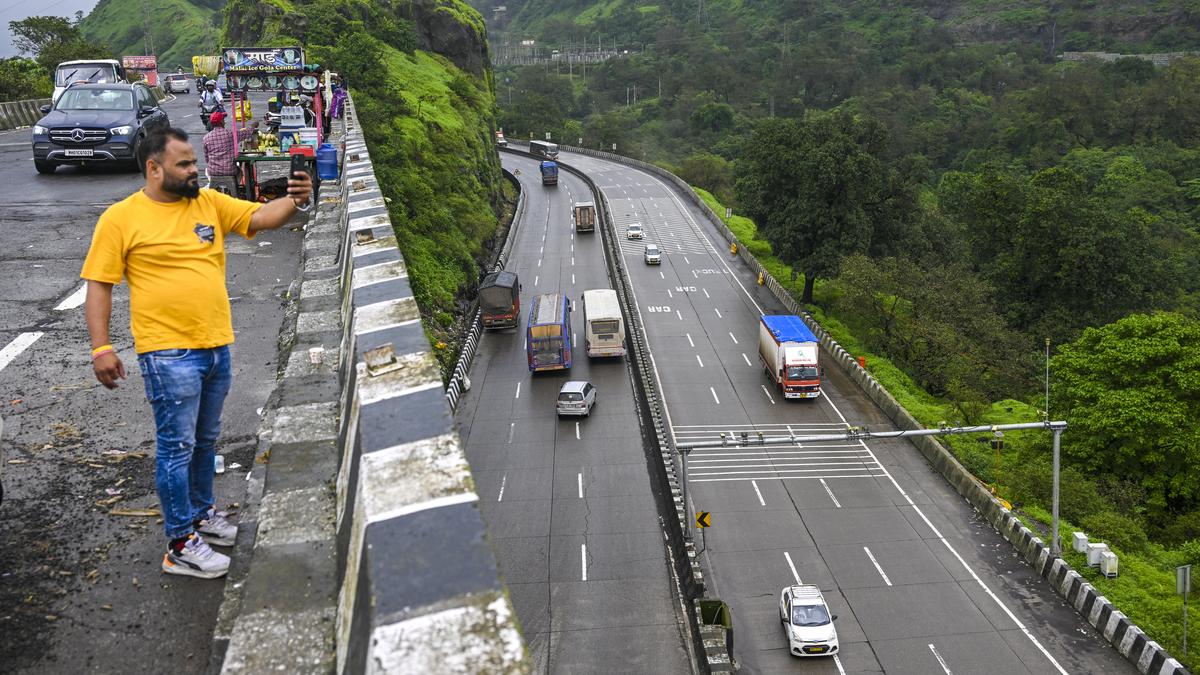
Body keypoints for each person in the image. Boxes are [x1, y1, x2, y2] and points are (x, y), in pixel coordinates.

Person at [81, 127, 313, 579]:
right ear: (154, 168)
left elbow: (263, 218)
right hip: (167, 353)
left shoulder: (207, 203)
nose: (195, 171)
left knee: (206, 442)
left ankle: (203, 515)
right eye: (184, 164)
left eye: (193, 162)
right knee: (176, 448)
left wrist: (298, 200)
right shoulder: (121, 219)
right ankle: (180, 543)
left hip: (215, 345)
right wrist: (101, 347)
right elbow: (99, 285)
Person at [201, 111, 238, 196]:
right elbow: (244, 133)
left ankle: (218, 191)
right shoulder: (230, 134)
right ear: (221, 122)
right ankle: (231, 190)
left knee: (207, 171)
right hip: (230, 171)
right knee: (240, 172)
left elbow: (207, 159)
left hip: (213, 171)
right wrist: (252, 127)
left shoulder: (206, 138)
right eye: (223, 120)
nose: (224, 121)